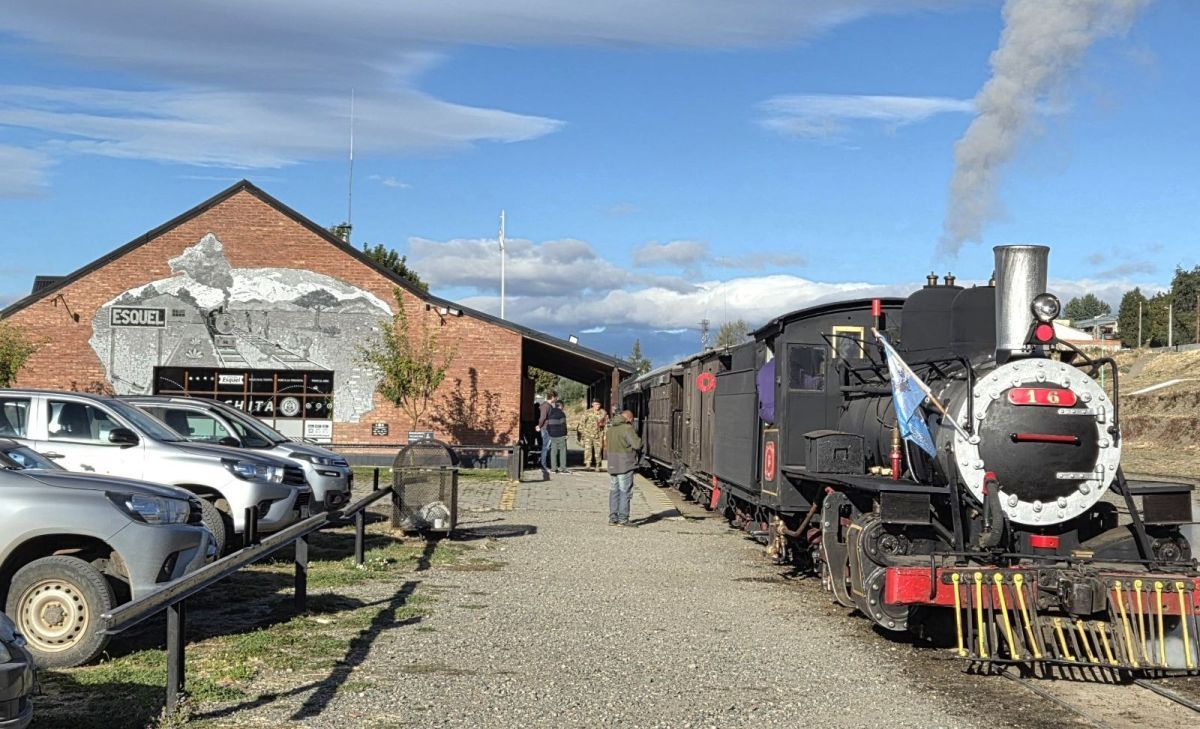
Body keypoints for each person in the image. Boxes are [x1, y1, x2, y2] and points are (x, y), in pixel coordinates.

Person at [606, 409, 642, 526]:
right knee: (624, 491)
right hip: (625, 464)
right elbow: (637, 445)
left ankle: (613, 518)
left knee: (614, 491)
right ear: (629, 419)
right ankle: (623, 519)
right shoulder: (627, 429)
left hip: (612, 463)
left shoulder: (610, 429)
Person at [577, 399, 607, 471]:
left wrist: (605, 434)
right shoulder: (587, 412)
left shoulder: (603, 413)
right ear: (592, 404)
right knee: (588, 449)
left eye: (598, 404)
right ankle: (588, 464)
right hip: (588, 434)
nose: (597, 406)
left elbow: (605, 424)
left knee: (598, 450)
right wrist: (582, 433)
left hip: (598, 434)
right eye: (596, 404)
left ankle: (597, 465)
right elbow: (582, 422)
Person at [545, 399, 570, 473]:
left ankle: (553, 468)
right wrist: (565, 434)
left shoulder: (550, 414)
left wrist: (550, 433)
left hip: (552, 435)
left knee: (553, 451)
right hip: (561, 435)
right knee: (562, 451)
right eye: (563, 406)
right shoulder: (562, 414)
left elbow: (547, 426)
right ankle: (563, 468)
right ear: (561, 406)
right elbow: (563, 425)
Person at [535, 391, 556, 474]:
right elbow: (542, 417)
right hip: (546, 428)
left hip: (547, 428)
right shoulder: (546, 406)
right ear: (553, 397)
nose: (556, 399)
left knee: (547, 447)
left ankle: (544, 464)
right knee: (546, 447)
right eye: (556, 397)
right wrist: (539, 426)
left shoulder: (547, 405)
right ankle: (543, 465)